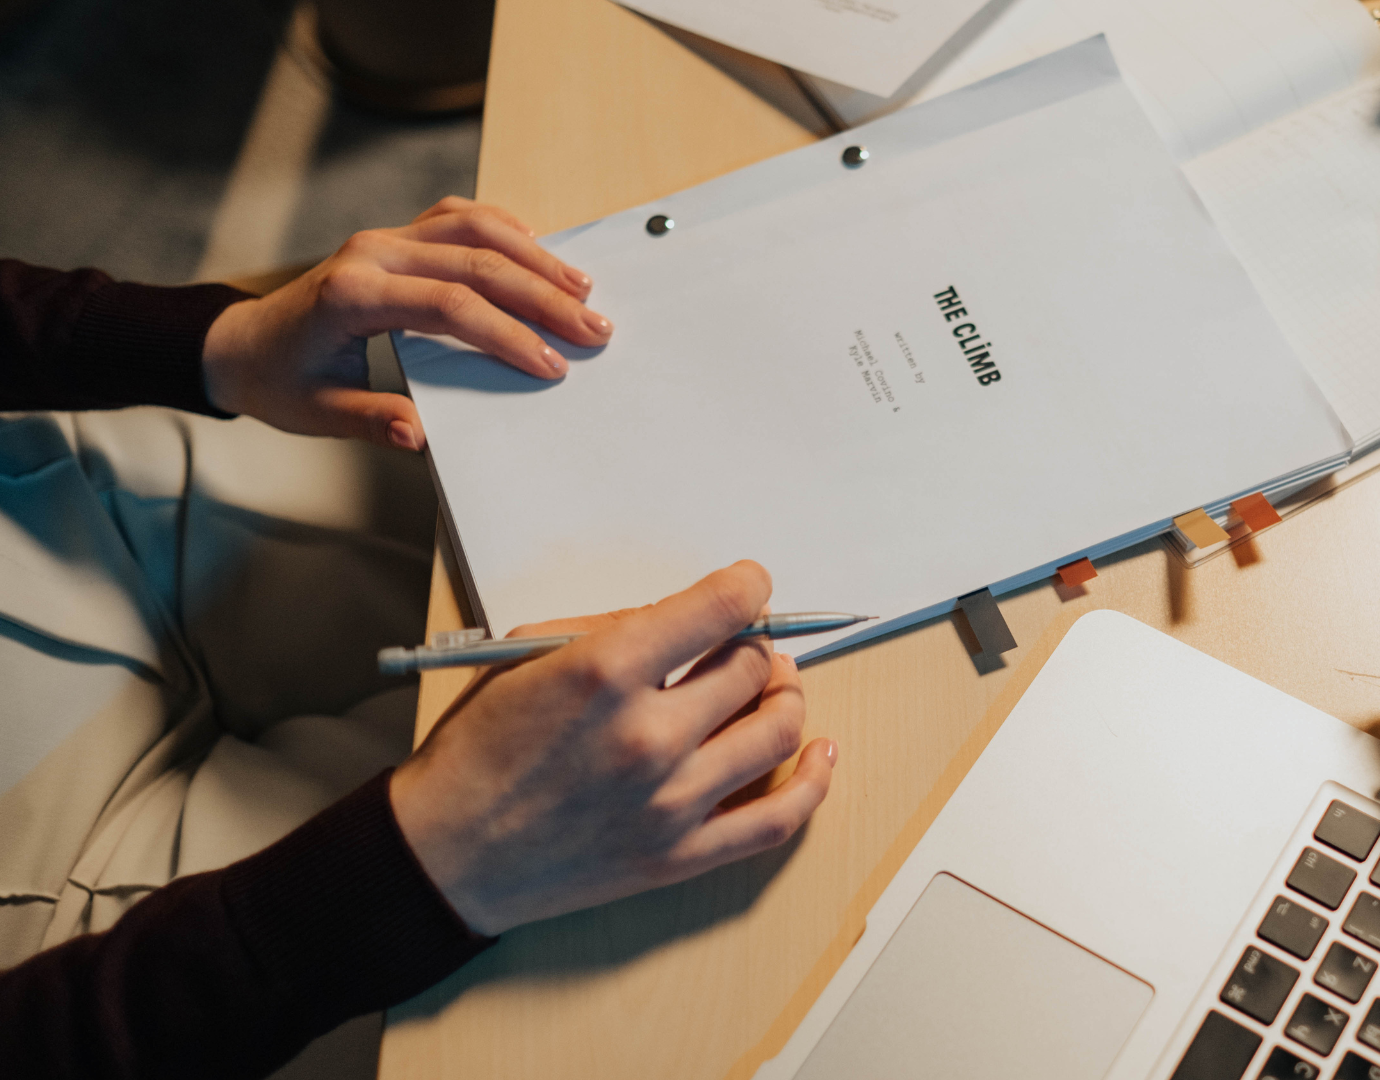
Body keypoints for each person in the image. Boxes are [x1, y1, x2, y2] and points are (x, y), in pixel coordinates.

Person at [0, 197, 837, 1077]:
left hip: (39, 486)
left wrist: (212, 342)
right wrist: (417, 870)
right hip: (78, 949)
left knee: (537, 492)